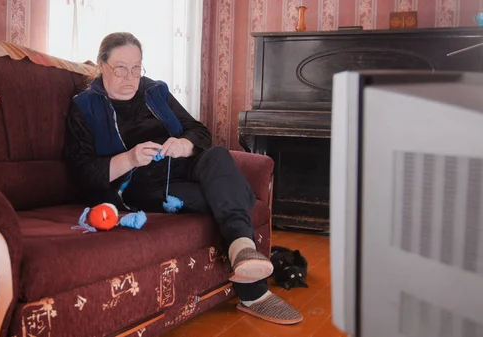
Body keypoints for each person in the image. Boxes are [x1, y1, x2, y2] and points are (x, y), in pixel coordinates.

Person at [63, 32, 303, 325]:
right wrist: (129, 159)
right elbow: (82, 173)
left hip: (183, 165)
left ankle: (242, 250)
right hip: (141, 184)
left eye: (137, 67)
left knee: (216, 155)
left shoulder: (155, 91)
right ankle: (253, 293)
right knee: (226, 194)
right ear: (102, 66)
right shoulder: (84, 106)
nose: (130, 76)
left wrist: (184, 145)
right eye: (120, 68)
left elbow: (199, 131)